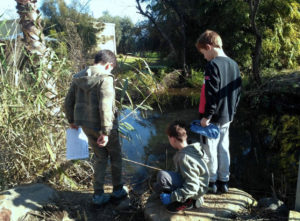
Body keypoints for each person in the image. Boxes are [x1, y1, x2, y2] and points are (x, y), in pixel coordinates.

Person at [64, 50, 127, 206]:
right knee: (115, 156)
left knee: (100, 158)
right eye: (112, 68)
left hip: (86, 126)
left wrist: (71, 120)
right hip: (105, 127)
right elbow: (105, 107)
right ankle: (118, 190)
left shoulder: (78, 77)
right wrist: (106, 132)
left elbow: (67, 102)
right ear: (108, 65)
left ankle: (98, 195)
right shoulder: (105, 78)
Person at [195, 30, 242, 193]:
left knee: (209, 150)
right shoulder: (234, 64)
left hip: (212, 119)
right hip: (227, 116)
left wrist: (206, 117)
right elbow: (237, 92)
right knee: (224, 147)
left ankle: (212, 182)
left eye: (203, 53)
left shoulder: (212, 65)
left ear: (208, 47)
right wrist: (233, 112)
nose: (204, 57)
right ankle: (224, 181)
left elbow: (211, 94)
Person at [154, 120, 209, 213]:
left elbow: (193, 187)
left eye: (168, 138)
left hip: (196, 189)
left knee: (162, 176)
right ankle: (190, 197)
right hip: (202, 185)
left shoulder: (184, 158)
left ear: (172, 139)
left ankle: (189, 201)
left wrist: (172, 197)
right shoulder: (194, 147)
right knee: (157, 187)